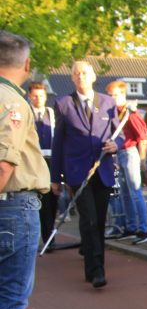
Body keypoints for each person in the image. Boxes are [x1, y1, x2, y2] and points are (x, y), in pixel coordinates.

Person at [0, 31, 57, 309]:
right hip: (15, 204)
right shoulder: (14, 103)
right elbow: (6, 161)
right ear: (25, 64)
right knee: (13, 290)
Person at [51, 61, 122, 287]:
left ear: (93, 76)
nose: (81, 76)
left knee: (99, 220)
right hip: (77, 172)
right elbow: (58, 142)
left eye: (85, 73)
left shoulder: (108, 102)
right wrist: (55, 178)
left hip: (103, 170)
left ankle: (93, 267)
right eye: (76, 73)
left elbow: (118, 132)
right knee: (88, 218)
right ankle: (96, 270)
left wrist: (116, 145)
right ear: (72, 78)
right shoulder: (63, 104)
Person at [105, 81, 147, 244]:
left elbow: (143, 137)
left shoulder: (130, 113)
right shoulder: (114, 113)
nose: (112, 98)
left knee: (136, 193)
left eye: (115, 95)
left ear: (123, 94)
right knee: (125, 194)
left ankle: (144, 230)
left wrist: (143, 159)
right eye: (110, 95)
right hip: (120, 153)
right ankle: (130, 227)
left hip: (131, 153)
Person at [28, 81, 58, 252]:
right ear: (29, 96)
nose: (38, 99)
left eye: (41, 96)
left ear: (45, 97)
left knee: (51, 201)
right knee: (35, 200)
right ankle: (34, 236)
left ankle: (49, 238)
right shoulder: (26, 113)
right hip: (34, 161)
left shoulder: (51, 113)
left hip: (51, 161)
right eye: (35, 96)